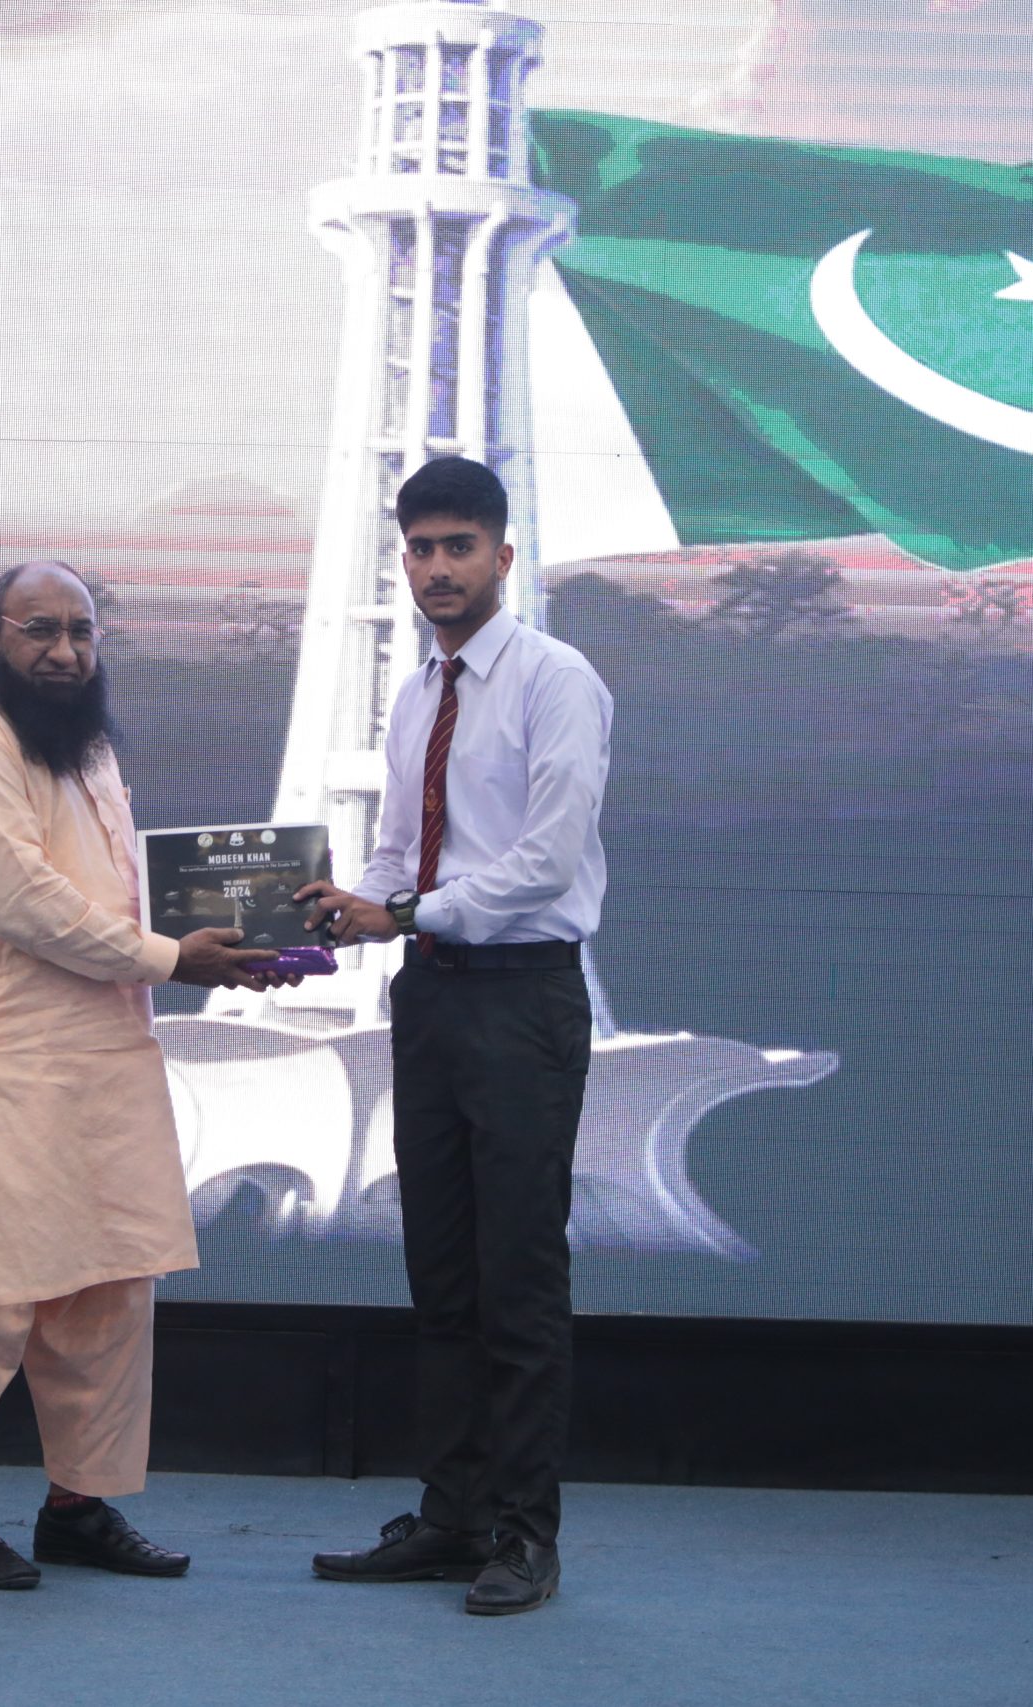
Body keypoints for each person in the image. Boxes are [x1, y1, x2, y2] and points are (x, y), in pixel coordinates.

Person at [0, 560, 291, 1590]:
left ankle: (78, 1506)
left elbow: (116, 887)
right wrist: (174, 958)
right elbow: (24, 905)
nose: (64, 652)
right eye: (40, 631)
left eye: (82, 633)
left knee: (106, 1291)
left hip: (94, 1059)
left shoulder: (82, 742)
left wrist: (247, 929)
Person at [295, 457, 612, 1617]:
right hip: (428, 996)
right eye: (420, 549)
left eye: (457, 548)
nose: (436, 568)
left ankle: (525, 1534)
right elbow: (399, 850)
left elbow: (546, 861)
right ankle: (452, 1515)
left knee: (517, 1280)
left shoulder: (556, 680)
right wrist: (345, 908)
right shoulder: (416, 692)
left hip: (523, 999)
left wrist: (405, 911)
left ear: (502, 557)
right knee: (441, 1276)